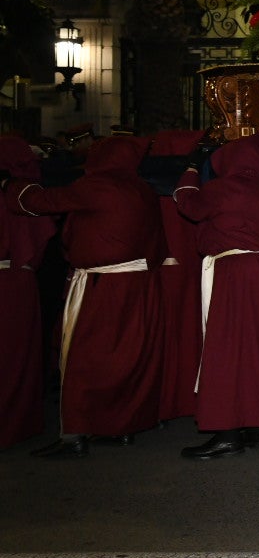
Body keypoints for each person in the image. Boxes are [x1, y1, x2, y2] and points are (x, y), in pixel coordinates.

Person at [4, 135, 164, 458]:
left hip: (103, 286)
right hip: (139, 285)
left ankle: (73, 436)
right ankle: (120, 426)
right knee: (125, 359)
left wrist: (11, 184)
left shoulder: (99, 186)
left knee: (82, 359)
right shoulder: (143, 190)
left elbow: (41, 202)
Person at [173, 133, 259, 460]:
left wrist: (190, 170)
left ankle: (227, 432)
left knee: (226, 349)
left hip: (236, 273)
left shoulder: (223, 189)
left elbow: (188, 204)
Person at [147, 130, 206, 423]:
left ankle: (168, 399)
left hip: (169, 268)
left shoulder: (155, 183)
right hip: (190, 267)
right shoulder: (191, 181)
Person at [0, 137, 54, 449]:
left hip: (15, 276)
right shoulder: (26, 193)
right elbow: (41, 235)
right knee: (16, 356)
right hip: (16, 282)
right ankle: (16, 423)